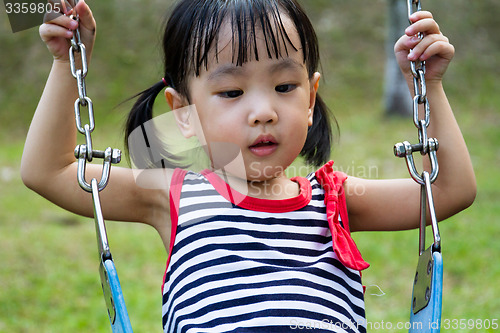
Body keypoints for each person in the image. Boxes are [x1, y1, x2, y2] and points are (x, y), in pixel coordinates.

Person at [21, 0, 476, 332]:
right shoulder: (173, 195)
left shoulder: (335, 200)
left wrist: (429, 86)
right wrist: (66, 65)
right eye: (232, 92)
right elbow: (49, 172)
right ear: (184, 114)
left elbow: (450, 190)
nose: (263, 111)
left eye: (284, 86)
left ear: (312, 97)